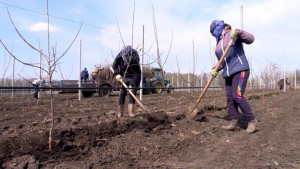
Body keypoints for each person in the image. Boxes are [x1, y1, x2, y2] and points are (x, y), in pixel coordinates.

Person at [210, 20, 257, 134]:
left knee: (237, 96)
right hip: (228, 73)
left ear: (221, 27)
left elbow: (251, 39)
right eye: (212, 32)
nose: (214, 33)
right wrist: (215, 68)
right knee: (230, 98)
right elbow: (222, 62)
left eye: (214, 30)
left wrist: (239, 32)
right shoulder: (217, 46)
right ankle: (234, 122)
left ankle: (252, 120)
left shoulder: (233, 34)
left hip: (240, 69)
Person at [112, 45, 141, 118]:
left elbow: (137, 71)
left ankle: (130, 112)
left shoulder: (135, 57)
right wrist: (117, 74)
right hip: (123, 75)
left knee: (133, 91)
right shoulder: (120, 56)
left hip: (133, 74)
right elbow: (114, 66)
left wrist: (133, 81)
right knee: (122, 92)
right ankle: (120, 113)